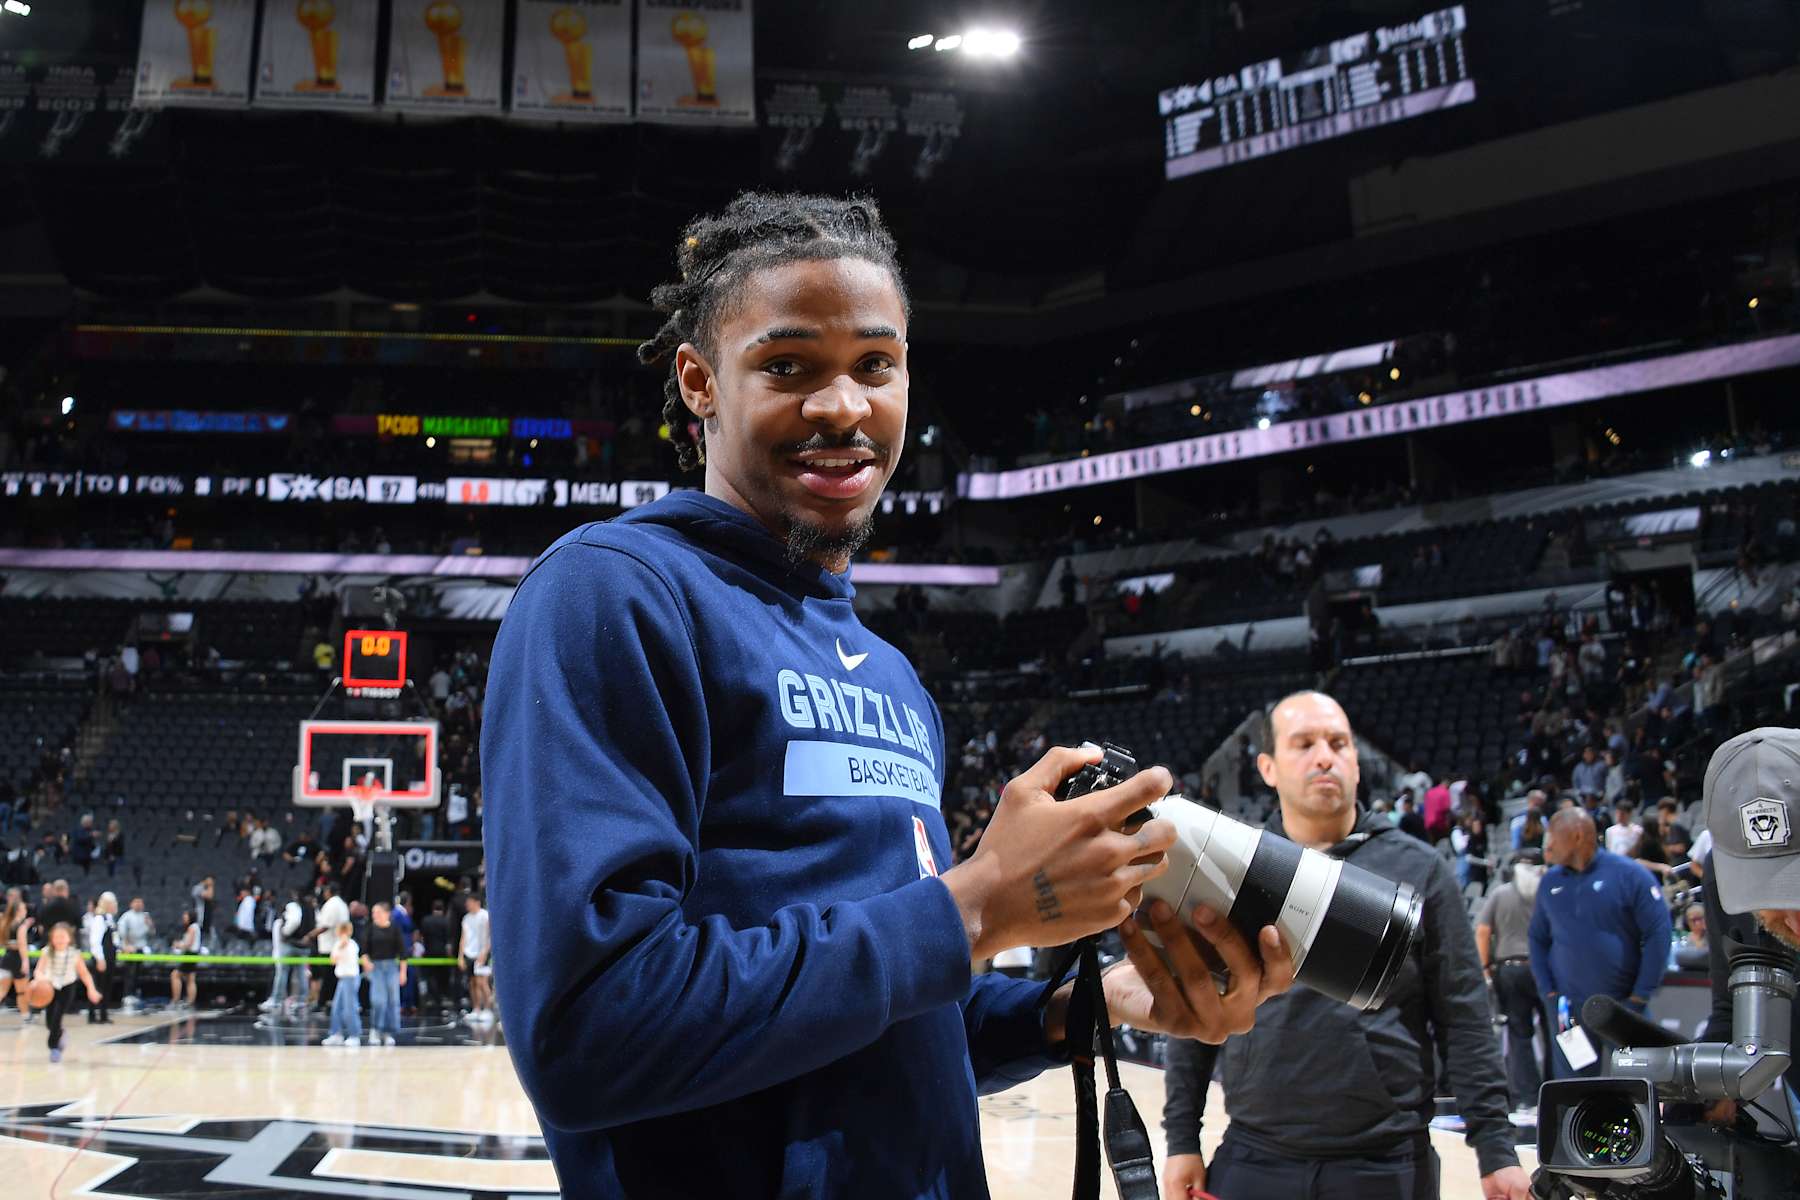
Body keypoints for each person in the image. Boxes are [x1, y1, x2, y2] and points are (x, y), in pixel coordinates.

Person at [482, 193, 1292, 1199]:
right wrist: (977, 909)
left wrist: (1084, 1009)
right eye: (787, 367)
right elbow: (591, 1028)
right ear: (699, 381)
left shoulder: (897, 680)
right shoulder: (616, 594)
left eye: (876, 365)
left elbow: (894, 1015)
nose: (842, 406)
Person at [1162, 691, 1527, 1200]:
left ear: (1356, 761)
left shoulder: (1421, 870)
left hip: (1387, 1162)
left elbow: (1463, 1013)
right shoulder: (1232, 869)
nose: (1324, 756)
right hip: (1255, 1154)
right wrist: (1181, 1138)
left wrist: (1496, 1149)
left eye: (1338, 743)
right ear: (1267, 767)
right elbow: (1197, 1007)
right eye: (1304, 743)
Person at [1693, 728, 1800, 1128]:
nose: (1793, 922)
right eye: (1768, 903)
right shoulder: (1721, 878)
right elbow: (1730, 1008)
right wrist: (1704, 1086)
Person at [1528, 809, 1672, 1078]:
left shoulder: (1629, 875)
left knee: (1643, 1088)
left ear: (1578, 836)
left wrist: (1641, 993)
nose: (1546, 848)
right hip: (1569, 1013)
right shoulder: (1550, 882)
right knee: (1575, 1097)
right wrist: (1548, 990)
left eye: (1553, 839)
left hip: (1623, 1009)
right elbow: (1537, 938)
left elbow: (1658, 932)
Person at [1477, 851, 1548, 1114]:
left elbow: (1483, 931)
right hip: (1543, 969)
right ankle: (1556, 1091)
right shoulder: (1547, 895)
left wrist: (1485, 968)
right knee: (1554, 1034)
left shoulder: (1500, 894)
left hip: (1510, 969)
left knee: (1520, 1035)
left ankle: (1528, 1098)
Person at [35, 921, 102, 1062]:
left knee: (57, 1017)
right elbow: (38, 970)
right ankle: (60, 1033)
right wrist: (40, 979)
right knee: (49, 1021)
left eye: (62, 936)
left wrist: (91, 989)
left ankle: (54, 1048)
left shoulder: (74, 954)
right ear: (51, 938)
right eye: (56, 937)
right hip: (50, 987)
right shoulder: (47, 951)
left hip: (67, 987)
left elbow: (84, 974)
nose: (59, 940)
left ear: (69, 938)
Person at [361, 901, 407, 1046]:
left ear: (387, 914)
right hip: (377, 968)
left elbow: (403, 953)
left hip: (392, 967)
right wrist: (366, 961)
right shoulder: (370, 929)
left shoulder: (395, 929)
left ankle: (389, 1032)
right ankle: (375, 1029)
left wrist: (402, 972)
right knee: (378, 1001)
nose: (375, 915)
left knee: (393, 1001)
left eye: (378, 912)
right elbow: (363, 950)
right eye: (373, 912)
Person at [261, 887, 308, 1015]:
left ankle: (276, 999)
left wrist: (285, 933)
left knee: (282, 972)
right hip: (304, 945)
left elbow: (294, 921)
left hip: (291, 944)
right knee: (301, 973)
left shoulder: (293, 906)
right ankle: (301, 999)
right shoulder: (308, 907)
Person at [323, 921, 362, 1047]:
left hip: (351, 978)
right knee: (336, 1007)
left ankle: (354, 1035)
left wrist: (343, 946)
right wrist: (340, 947)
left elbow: (349, 958)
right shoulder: (337, 944)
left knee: (350, 1008)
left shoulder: (353, 945)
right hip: (342, 978)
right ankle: (336, 1034)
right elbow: (333, 960)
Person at [84, 890, 118, 1023]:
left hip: (110, 957)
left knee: (106, 987)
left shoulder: (110, 919)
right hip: (102, 958)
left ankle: (103, 1014)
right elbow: (95, 941)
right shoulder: (99, 919)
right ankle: (92, 1015)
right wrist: (100, 959)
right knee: (97, 986)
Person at [458, 892, 492, 1024]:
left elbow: (491, 936)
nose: (467, 904)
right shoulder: (466, 918)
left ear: (477, 902)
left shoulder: (485, 916)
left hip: (482, 952)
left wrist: (485, 952)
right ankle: (476, 1008)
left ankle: (488, 1010)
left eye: (469, 902)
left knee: (482, 982)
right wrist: (460, 956)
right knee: (472, 982)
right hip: (469, 953)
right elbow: (463, 937)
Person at [116, 896, 153, 1010]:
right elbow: (122, 933)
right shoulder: (126, 916)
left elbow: (152, 932)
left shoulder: (145, 916)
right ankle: (127, 995)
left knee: (138, 973)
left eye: (140, 902)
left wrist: (150, 924)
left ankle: (136, 994)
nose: (138, 904)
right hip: (130, 948)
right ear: (131, 903)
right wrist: (126, 945)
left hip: (141, 948)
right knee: (129, 973)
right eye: (136, 902)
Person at [169, 910, 200, 1010]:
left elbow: (188, 944)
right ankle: (190, 1002)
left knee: (175, 975)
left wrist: (177, 945)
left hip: (190, 954)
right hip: (194, 954)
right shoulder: (196, 927)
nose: (184, 918)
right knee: (190, 978)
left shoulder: (192, 927)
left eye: (186, 916)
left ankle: (175, 1000)